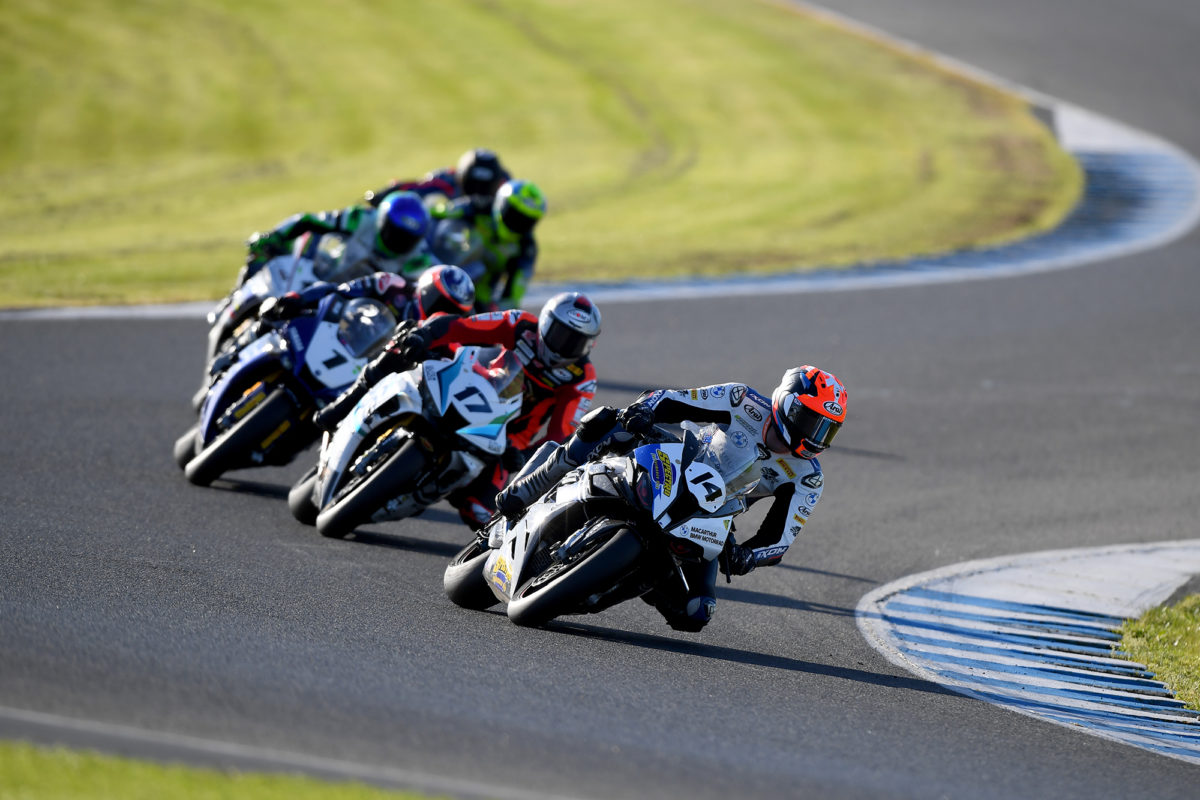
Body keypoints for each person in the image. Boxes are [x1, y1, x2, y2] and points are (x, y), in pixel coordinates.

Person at [494, 366, 848, 632]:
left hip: (712, 514)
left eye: (825, 429)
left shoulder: (808, 476)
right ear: (787, 404)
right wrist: (647, 411)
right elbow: (675, 399)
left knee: (695, 613)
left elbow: (780, 539)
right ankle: (534, 484)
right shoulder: (744, 401)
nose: (814, 435)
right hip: (677, 460)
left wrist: (747, 556)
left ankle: (612, 581)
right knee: (609, 422)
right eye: (810, 420)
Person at [313, 291, 602, 528]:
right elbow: (462, 326)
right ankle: (344, 405)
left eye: (577, 341)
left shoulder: (581, 377)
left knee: (482, 512)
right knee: (406, 344)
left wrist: (524, 456)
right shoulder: (520, 324)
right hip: (468, 383)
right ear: (544, 324)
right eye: (561, 335)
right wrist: (422, 338)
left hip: (505, 439)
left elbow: (561, 433)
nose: (567, 347)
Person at [240, 190, 433, 286]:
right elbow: (308, 220)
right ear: (382, 222)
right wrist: (275, 236)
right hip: (321, 276)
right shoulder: (360, 218)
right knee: (263, 255)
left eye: (408, 238)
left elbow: (430, 285)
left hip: (354, 311)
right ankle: (238, 296)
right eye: (397, 234)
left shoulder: (419, 257)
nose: (400, 242)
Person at [429, 178, 546, 311]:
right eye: (514, 215)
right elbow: (438, 212)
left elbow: (513, 296)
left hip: (475, 299)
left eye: (525, 221)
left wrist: (496, 311)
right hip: (441, 267)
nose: (518, 223)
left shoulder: (526, 248)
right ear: (501, 204)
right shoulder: (478, 206)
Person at [258, 264, 475, 326]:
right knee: (287, 310)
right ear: (428, 289)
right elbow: (340, 290)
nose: (441, 310)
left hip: (364, 371)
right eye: (439, 301)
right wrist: (300, 299)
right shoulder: (393, 284)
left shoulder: (437, 334)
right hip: (337, 332)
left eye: (451, 310)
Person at [364, 148, 511, 213]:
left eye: (484, 187)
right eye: (474, 185)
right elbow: (418, 186)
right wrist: (385, 193)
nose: (478, 193)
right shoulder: (448, 179)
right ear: (461, 178)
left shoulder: (507, 188)